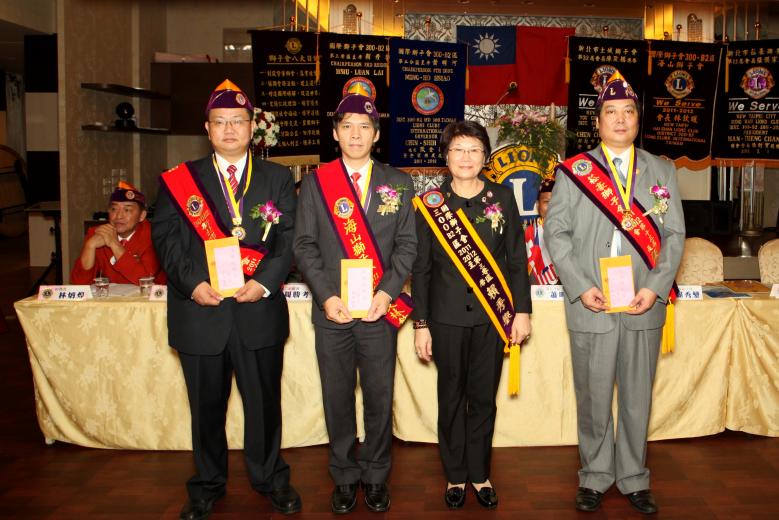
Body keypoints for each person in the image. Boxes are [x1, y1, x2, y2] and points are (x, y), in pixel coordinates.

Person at [151, 79, 300, 519]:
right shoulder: (181, 180)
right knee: (205, 409)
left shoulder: (277, 177)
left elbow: (289, 239)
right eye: (220, 122)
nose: (230, 129)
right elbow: (166, 239)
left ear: (253, 127)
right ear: (207, 128)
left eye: (238, 121)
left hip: (258, 310)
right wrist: (192, 284)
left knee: (264, 405)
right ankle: (207, 484)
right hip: (201, 311)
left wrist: (265, 282)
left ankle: (271, 478)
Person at [544, 72, 685, 515]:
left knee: (638, 396)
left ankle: (634, 477)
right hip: (593, 302)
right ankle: (594, 475)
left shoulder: (662, 170)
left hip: (643, 301)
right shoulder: (575, 171)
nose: (620, 119)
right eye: (611, 112)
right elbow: (556, 232)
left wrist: (655, 288)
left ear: (638, 120)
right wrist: (580, 286)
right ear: (597, 122)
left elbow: (674, 235)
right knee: (593, 394)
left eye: (628, 112)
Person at [293, 93, 416, 514]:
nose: (356, 134)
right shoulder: (317, 182)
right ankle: (344, 475)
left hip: (379, 311)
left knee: (380, 396)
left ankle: (377, 475)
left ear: (376, 135)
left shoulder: (398, 182)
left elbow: (407, 245)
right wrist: (327, 296)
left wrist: (387, 292)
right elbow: (304, 245)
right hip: (333, 311)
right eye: (347, 126)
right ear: (335, 133)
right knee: (337, 396)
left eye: (364, 127)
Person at [411, 120, 532, 510]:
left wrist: (522, 311)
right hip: (445, 319)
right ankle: (455, 474)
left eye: (475, 150)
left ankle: (479, 473)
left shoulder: (503, 197)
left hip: (491, 319)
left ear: (485, 157)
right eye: (458, 150)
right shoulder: (429, 204)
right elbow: (421, 269)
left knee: (483, 398)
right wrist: (421, 323)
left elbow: (517, 260)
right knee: (450, 397)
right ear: (446, 157)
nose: (466, 158)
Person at [70, 181, 165, 285]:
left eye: (127, 210)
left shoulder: (153, 235)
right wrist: (90, 245)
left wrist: (114, 244)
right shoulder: (98, 233)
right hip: (112, 295)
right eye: (114, 209)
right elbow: (79, 283)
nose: (119, 216)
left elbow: (145, 280)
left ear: (142, 216)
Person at [524, 178, 559, 285]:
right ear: (538, 205)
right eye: (547, 202)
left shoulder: (573, 232)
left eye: (557, 202)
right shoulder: (529, 233)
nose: (552, 207)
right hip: (537, 290)